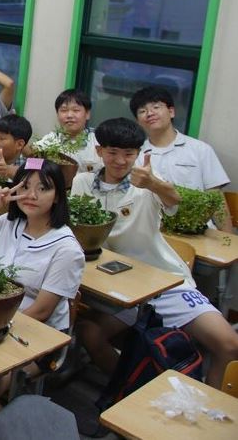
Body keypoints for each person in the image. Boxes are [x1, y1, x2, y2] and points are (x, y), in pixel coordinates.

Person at [71, 118, 238, 389]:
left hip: (163, 282)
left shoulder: (147, 180)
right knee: (90, 332)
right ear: (100, 151)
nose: (121, 160)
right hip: (116, 285)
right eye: (113, 152)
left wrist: (154, 184)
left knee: (228, 345)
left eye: (129, 153)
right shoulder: (83, 182)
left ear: (138, 153)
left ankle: (210, 412)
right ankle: (132, 392)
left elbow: (174, 201)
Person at [0, 159, 84, 422]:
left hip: (39, 336)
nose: (31, 195)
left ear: (58, 195)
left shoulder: (66, 249)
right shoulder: (11, 223)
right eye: (25, 186)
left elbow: (43, 310)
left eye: (43, 188)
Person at [130, 85, 231, 230]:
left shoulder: (200, 149)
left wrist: (228, 241)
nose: (149, 113)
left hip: (198, 229)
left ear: (171, 112)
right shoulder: (136, 155)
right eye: (142, 111)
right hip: (154, 230)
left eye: (156, 107)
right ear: (138, 121)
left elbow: (216, 199)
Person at [30, 88, 101, 174]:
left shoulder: (98, 140)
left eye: (76, 110)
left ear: (87, 114)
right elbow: (31, 167)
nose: (69, 115)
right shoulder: (50, 140)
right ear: (57, 115)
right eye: (64, 110)